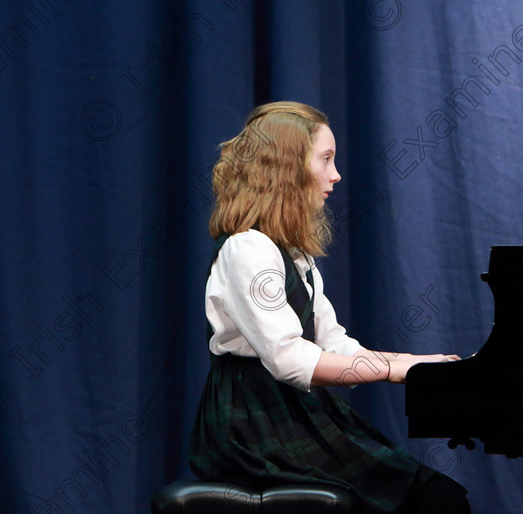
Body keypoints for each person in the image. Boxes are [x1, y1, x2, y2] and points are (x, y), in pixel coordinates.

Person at [189, 101, 471, 514]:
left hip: (295, 410)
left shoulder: (293, 254)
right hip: (253, 423)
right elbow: (289, 358)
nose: (336, 174)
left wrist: (415, 363)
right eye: (325, 159)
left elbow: (333, 343)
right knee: (431, 499)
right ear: (287, 168)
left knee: (430, 495)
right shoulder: (247, 248)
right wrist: (393, 369)